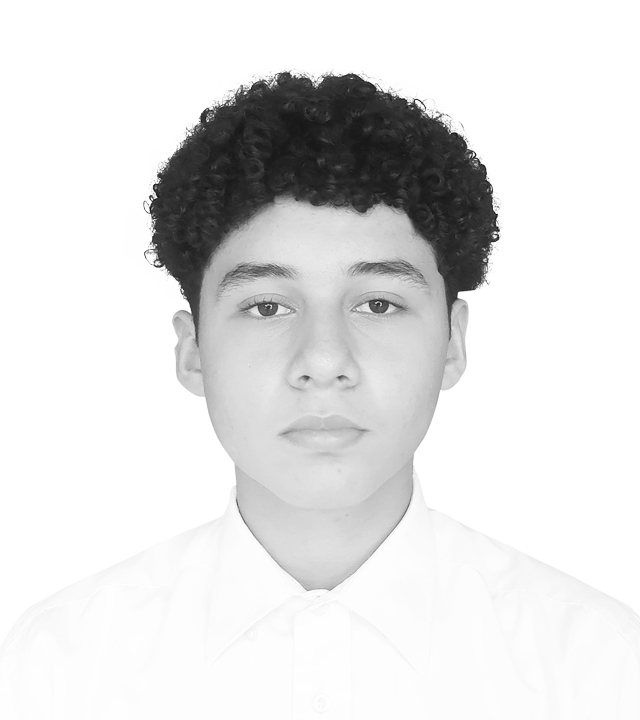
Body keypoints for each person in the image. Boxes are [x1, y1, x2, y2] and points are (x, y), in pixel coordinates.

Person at [1, 71, 638, 719]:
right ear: (193, 350)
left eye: (379, 304)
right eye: (267, 306)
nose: (325, 361)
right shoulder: (61, 665)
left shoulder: (599, 668)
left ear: (452, 343)